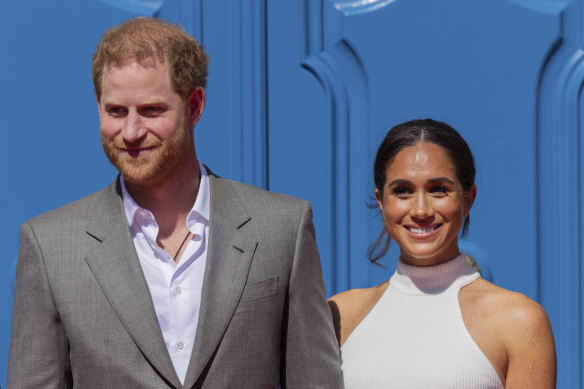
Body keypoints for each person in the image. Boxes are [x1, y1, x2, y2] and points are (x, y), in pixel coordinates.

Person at [7, 17, 343, 388]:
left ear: (194, 106)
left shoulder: (282, 228)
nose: (131, 132)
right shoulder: (51, 246)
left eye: (151, 110)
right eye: (116, 111)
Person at [329, 119, 556, 388]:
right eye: (402, 191)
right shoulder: (339, 315)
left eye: (439, 190)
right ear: (381, 201)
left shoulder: (520, 320)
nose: (421, 210)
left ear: (468, 199)